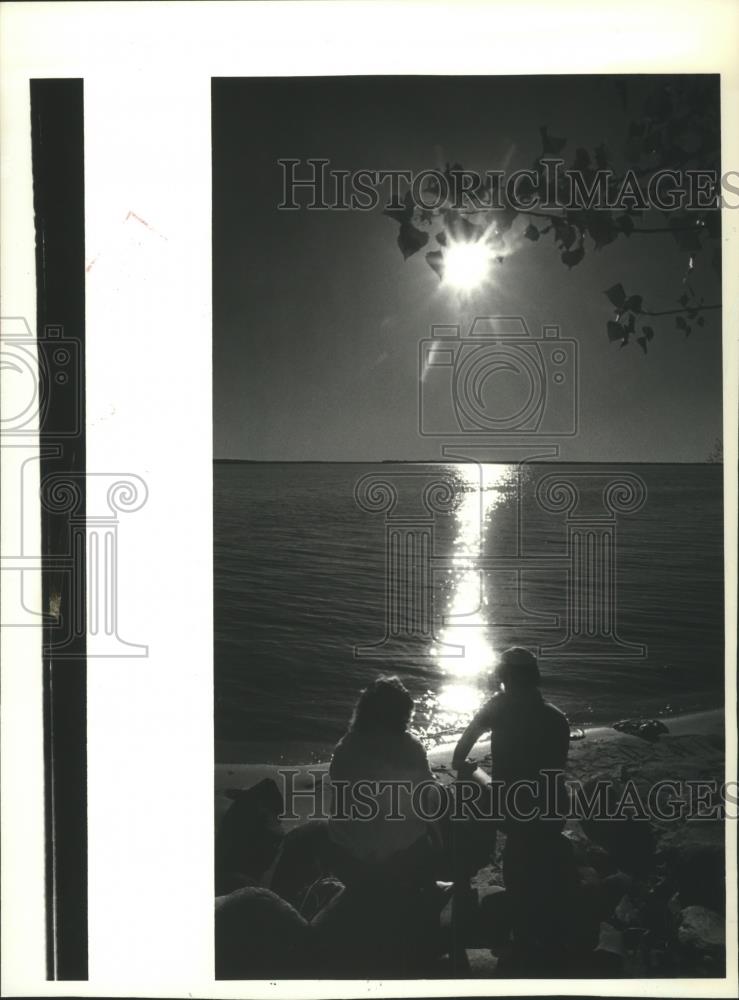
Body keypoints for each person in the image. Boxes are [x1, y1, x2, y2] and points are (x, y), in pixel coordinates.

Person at [452, 646, 578, 971]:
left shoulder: (496, 708)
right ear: (535, 677)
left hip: (513, 810)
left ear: (502, 677)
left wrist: (475, 769)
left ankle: (469, 866)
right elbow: (552, 771)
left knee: (470, 778)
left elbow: (459, 755)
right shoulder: (556, 717)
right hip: (553, 810)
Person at [328, 675, 444, 890]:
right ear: (403, 714)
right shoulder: (411, 746)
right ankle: (436, 882)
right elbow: (426, 800)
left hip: (350, 861)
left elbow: (339, 789)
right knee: (440, 808)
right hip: (399, 860)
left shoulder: (346, 746)